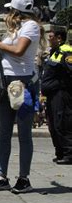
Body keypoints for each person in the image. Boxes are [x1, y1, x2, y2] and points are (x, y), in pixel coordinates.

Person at [0, 0, 45, 194]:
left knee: (24, 134)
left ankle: (24, 178)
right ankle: (2, 176)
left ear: (16, 11)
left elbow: (19, 50)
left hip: (22, 83)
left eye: (11, 9)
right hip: (5, 82)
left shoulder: (32, 27)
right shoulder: (16, 29)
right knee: (4, 134)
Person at [41, 30, 72, 165]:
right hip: (52, 94)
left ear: (59, 38)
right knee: (53, 124)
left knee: (63, 123)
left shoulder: (67, 52)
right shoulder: (55, 52)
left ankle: (69, 153)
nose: (49, 39)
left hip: (62, 94)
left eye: (51, 37)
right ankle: (60, 152)